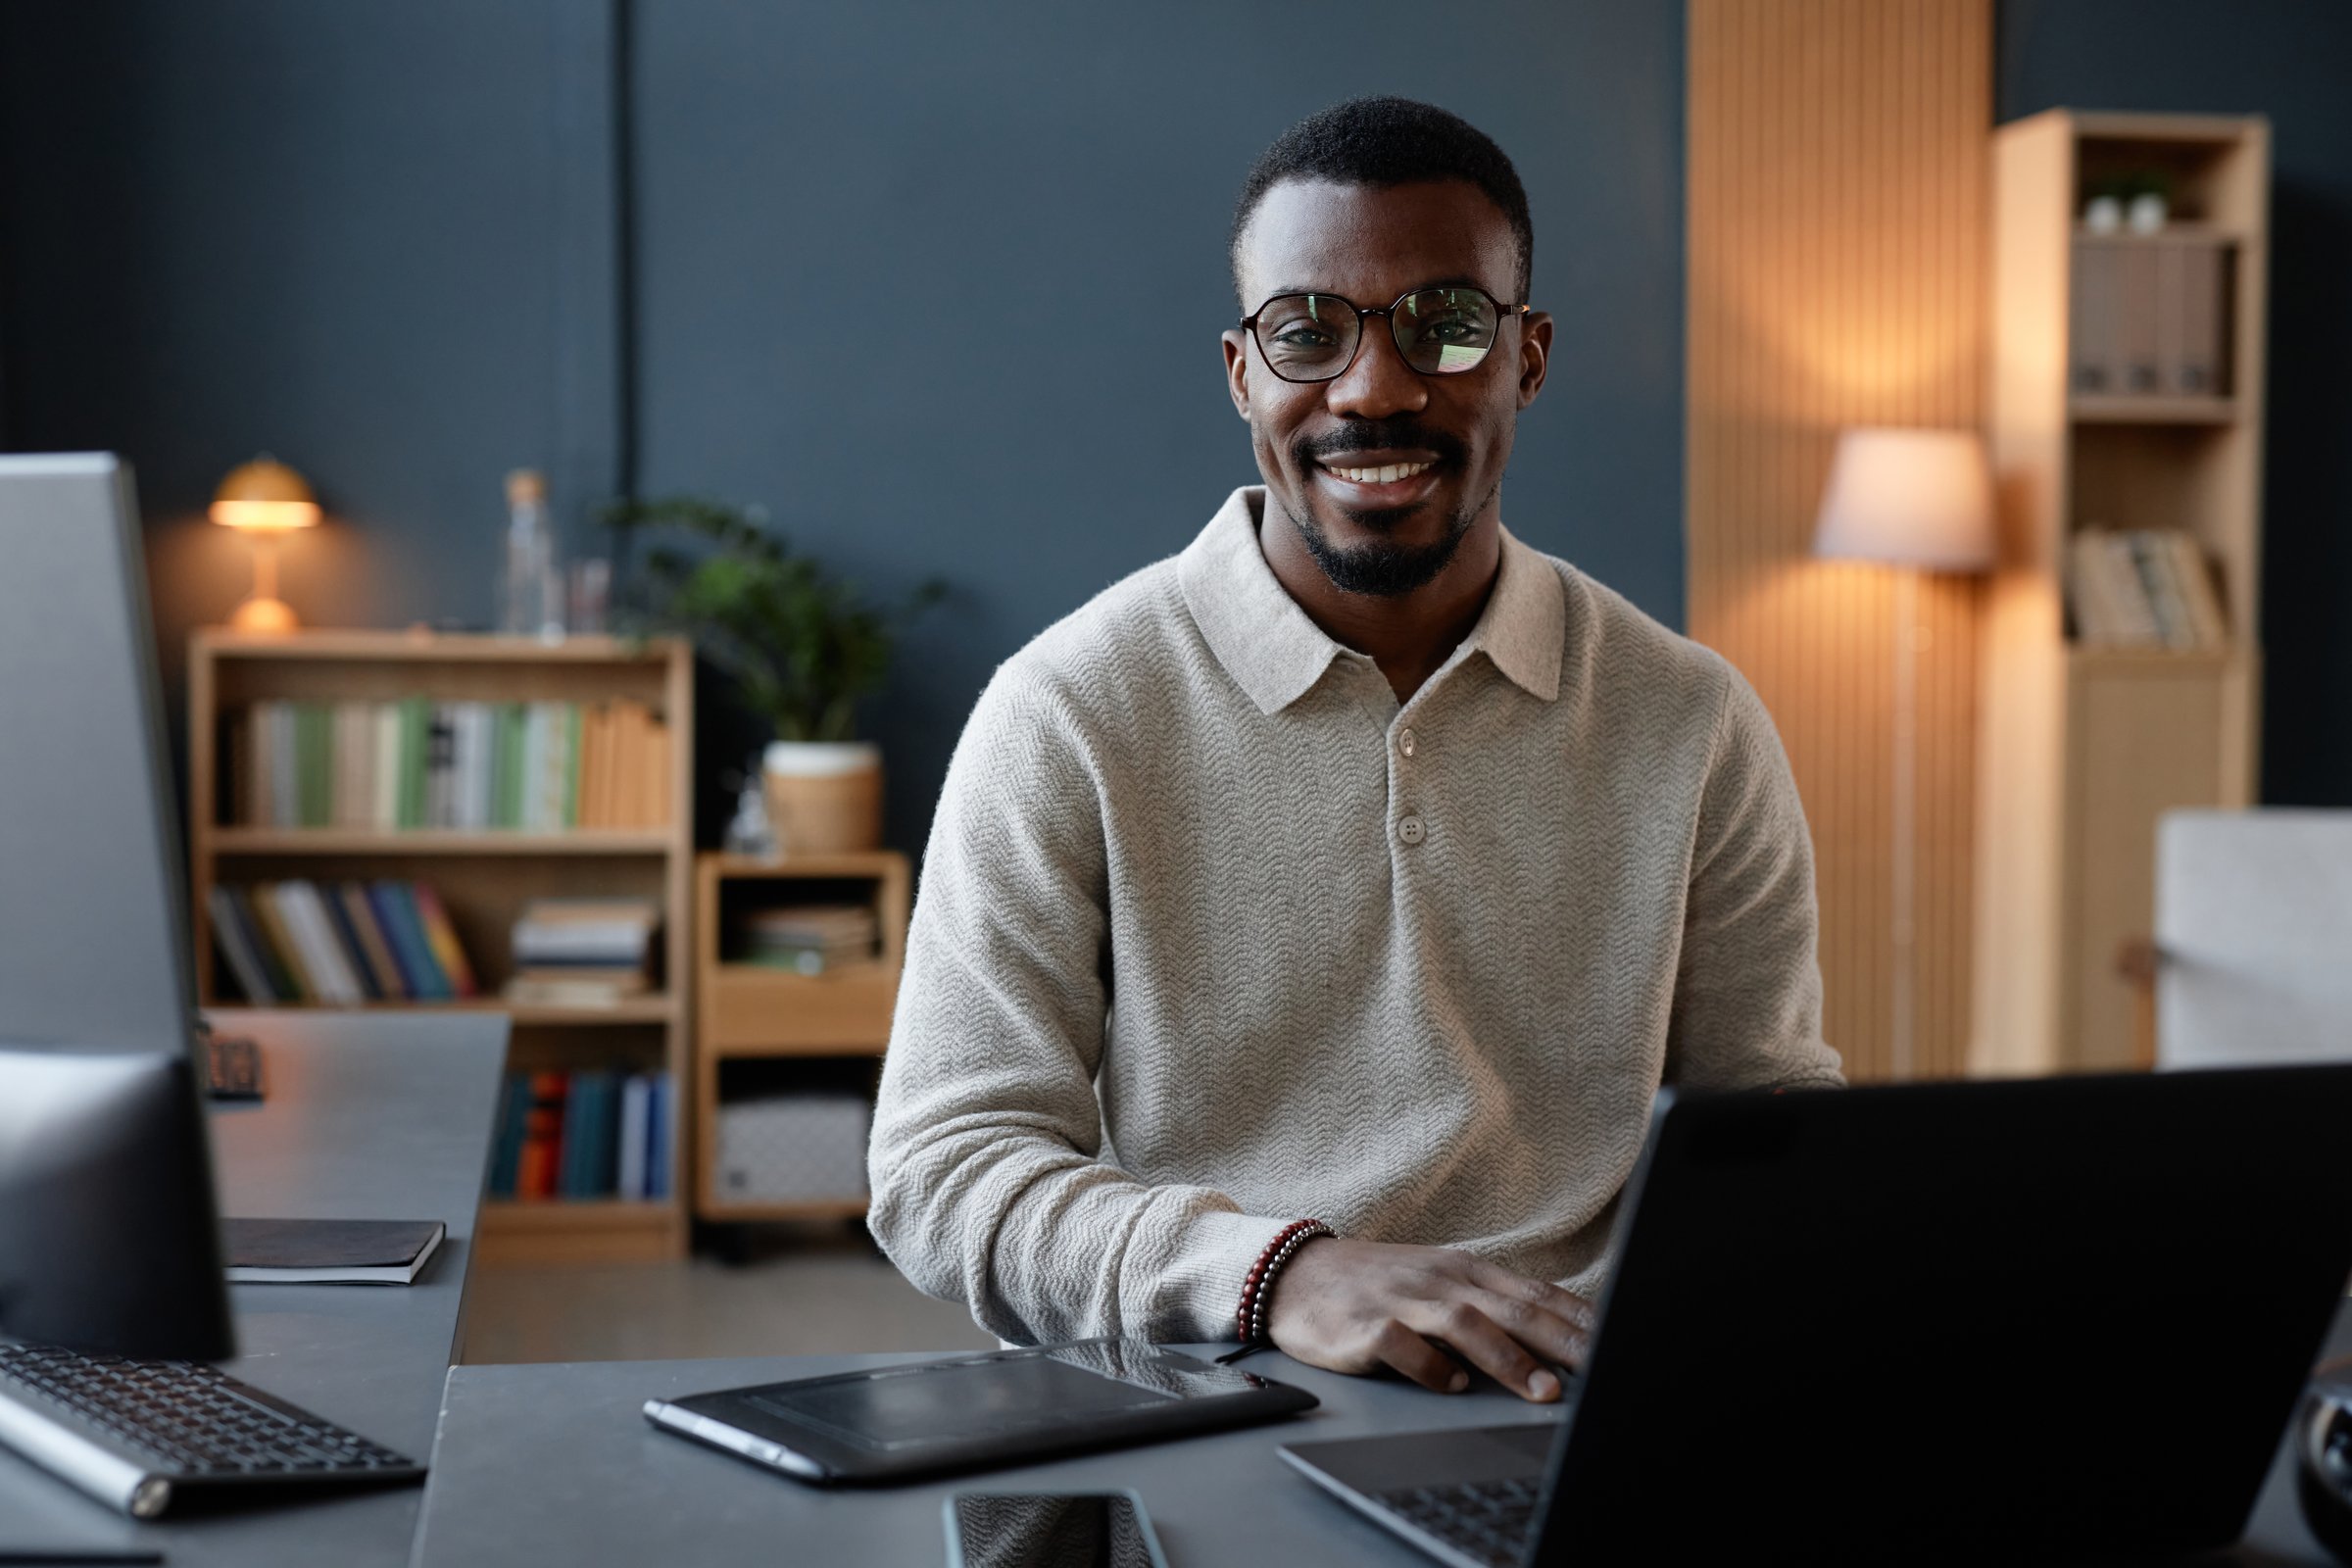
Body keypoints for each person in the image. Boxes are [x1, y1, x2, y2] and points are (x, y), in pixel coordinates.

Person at [868, 96, 1841, 1405]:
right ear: (1242, 373)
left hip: (1582, 1415)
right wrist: (1282, 1273)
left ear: (1529, 358)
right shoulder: (1066, 712)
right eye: (1307, 332)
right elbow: (945, 1172)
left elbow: (1767, 1135)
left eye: (1446, 326)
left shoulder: (1694, 718)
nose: (1376, 388)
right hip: (1214, 1405)